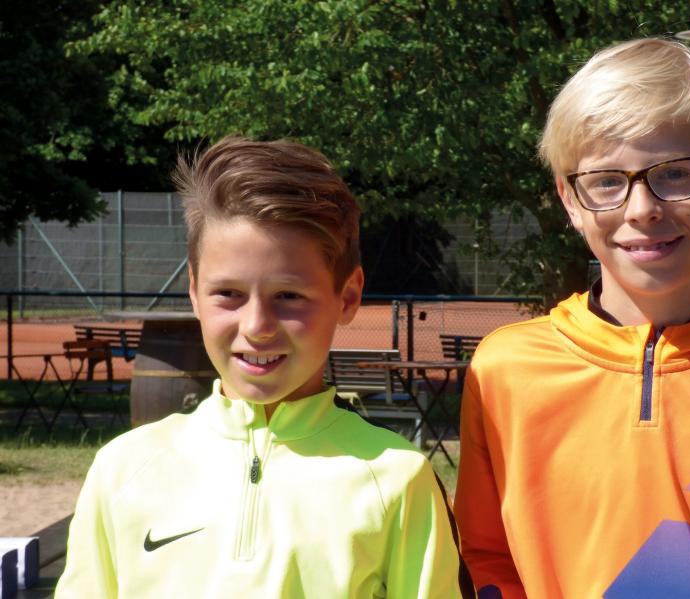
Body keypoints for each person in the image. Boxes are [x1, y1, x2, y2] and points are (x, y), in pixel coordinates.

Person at [454, 38, 690, 599]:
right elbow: (486, 561)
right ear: (570, 202)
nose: (641, 208)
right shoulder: (506, 372)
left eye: (676, 173)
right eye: (607, 181)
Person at [56, 136, 472, 598]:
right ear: (193, 291)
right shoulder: (122, 469)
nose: (256, 326)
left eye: (289, 296)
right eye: (228, 294)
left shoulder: (398, 478)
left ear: (348, 296)